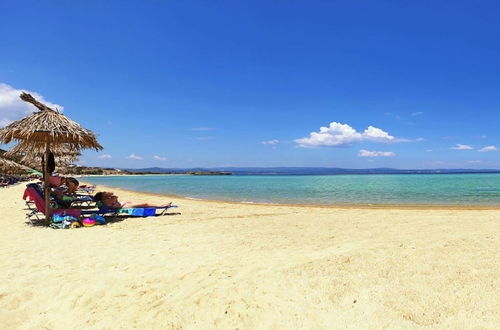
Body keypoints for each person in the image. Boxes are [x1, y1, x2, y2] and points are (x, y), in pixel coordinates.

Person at [93, 191, 172, 209]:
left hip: (122, 204)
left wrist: (108, 195)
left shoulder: (105, 200)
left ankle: (160, 205)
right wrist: (110, 195)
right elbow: (115, 197)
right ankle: (162, 206)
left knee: (142, 203)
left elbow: (114, 198)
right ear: (102, 196)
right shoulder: (107, 200)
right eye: (104, 194)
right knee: (145, 204)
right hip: (123, 206)